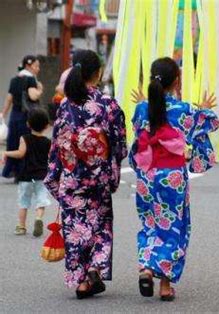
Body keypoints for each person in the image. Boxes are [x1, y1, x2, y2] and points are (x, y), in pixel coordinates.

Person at [130, 57, 219, 301]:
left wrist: (142, 105)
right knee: (172, 227)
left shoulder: (141, 109)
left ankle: (147, 267)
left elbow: (140, 133)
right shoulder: (186, 111)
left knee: (150, 222)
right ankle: (166, 285)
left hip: (147, 176)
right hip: (173, 177)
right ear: (177, 81)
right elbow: (211, 122)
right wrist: (202, 108)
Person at [44, 50, 127, 299]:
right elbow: (119, 142)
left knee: (76, 228)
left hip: (71, 177)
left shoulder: (65, 106)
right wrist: (112, 169)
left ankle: (81, 281)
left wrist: (55, 175)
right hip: (98, 176)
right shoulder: (107, 104)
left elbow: (57, 143)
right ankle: (94, 269)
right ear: (98, 72)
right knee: (100, 224)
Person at [2, 108, 51, 236]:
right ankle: (38, 218)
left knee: (23, 202)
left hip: (26, 176)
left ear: (28, 124)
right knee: (41, 200)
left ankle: (21, 227)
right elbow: (51, 158)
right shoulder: (48, 142)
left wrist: (6, 153)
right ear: (46, 126)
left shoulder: (24, 138)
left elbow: (20, 153)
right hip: (41, 176)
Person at [1, 55, 43, 179]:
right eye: (36, 66)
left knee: (13, 142)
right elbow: (33, 96)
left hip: (14, 115)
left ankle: (11, 170)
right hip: (26, 116)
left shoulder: (15, 79)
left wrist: (3, 113)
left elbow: (9, 98)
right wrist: (40, 89)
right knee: (25, 143)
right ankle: (23, 171)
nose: (38, 69)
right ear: (28, 66)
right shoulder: (31, 79)